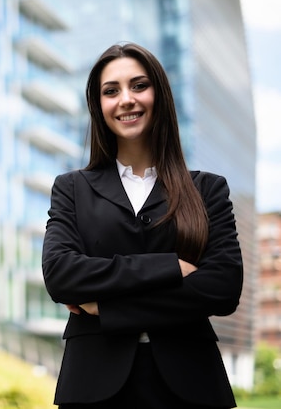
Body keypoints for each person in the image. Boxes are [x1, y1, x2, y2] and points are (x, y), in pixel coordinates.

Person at [41, 42, 243, 408]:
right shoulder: (71, 188)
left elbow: (223, 286)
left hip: (191, 383)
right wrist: (170, 266)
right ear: (98, 106)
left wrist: (107, 307)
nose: (126, 99)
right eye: (111, 91)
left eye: (139, 85)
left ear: (160, 95)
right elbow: (61, 274)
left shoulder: (207, 189)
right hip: (92, 385)